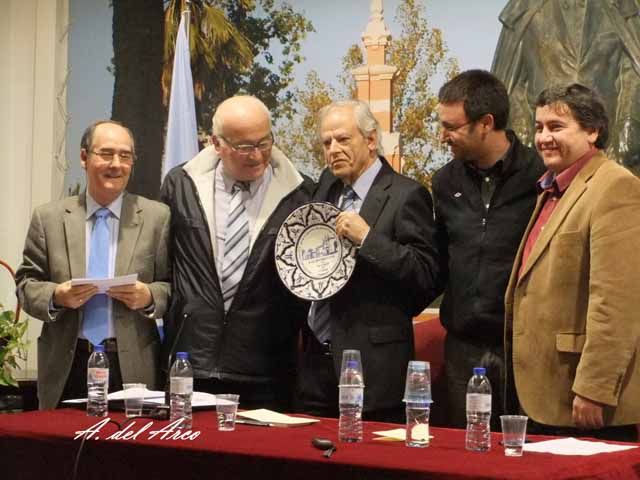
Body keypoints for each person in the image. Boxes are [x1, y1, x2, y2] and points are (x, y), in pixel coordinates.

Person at [505, 84, 640, 442]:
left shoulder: (616, 187)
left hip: (584, 403)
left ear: (593, 130)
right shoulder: (551, 188)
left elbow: (617, 302)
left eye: (556, 127)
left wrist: (595, 387)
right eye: (538, 127)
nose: (543, 137)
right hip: (542, 396)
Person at [160, 95, 313, 410]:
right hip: (191, 362)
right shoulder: (180, 184)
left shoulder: (302, 194)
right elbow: (163, 267)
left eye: (264, 143)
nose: (257, 156)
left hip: (266, 371)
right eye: (244, 147)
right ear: (216, 143)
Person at [296, 100, 439, 423]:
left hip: (375, 369)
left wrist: (368, 239)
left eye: (343, 140)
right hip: (316, 364)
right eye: (326, 142)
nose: (333, 149)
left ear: (371, 140)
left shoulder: (406, 194)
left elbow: (425, 274)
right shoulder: (324, 189)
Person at [16, 120, 171, 410]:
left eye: (125, 156)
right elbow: (26, 285)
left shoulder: (156, 218)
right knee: (61, 452)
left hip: (131, 365)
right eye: (106, 154)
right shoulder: (48, 218)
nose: (116, 164)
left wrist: (149, 297)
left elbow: (173, 287)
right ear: (84, 157)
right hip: (68, 364)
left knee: (129, 454)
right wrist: (56, 296)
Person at [432, 70, 544, 429]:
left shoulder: (541, 177)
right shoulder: (445, 181)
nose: (443, 135)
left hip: (523, 351)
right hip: (462, 351)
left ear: (486, 123)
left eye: (452, 126)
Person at [491, 0, 640, 174]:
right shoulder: (524, 9)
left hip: (606, 146)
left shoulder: (625, 7)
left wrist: (628, 124)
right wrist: (521, 132)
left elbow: (633, 73)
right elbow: (511, 84)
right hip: (543, 151)